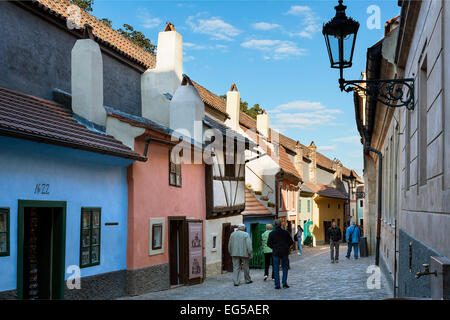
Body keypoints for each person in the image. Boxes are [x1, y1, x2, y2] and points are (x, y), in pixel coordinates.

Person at [267, 219, 293, 289]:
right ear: (281, 224)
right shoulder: (286, 232)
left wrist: (274, 247)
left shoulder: (272, 233)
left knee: (276, 268)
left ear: (274, 225)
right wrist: (287, 247)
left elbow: (268, 244)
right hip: (285, 252)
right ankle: (284, 283)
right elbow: (291, 242)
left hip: (276, 252)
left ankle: (277, 284)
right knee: (285, 268)